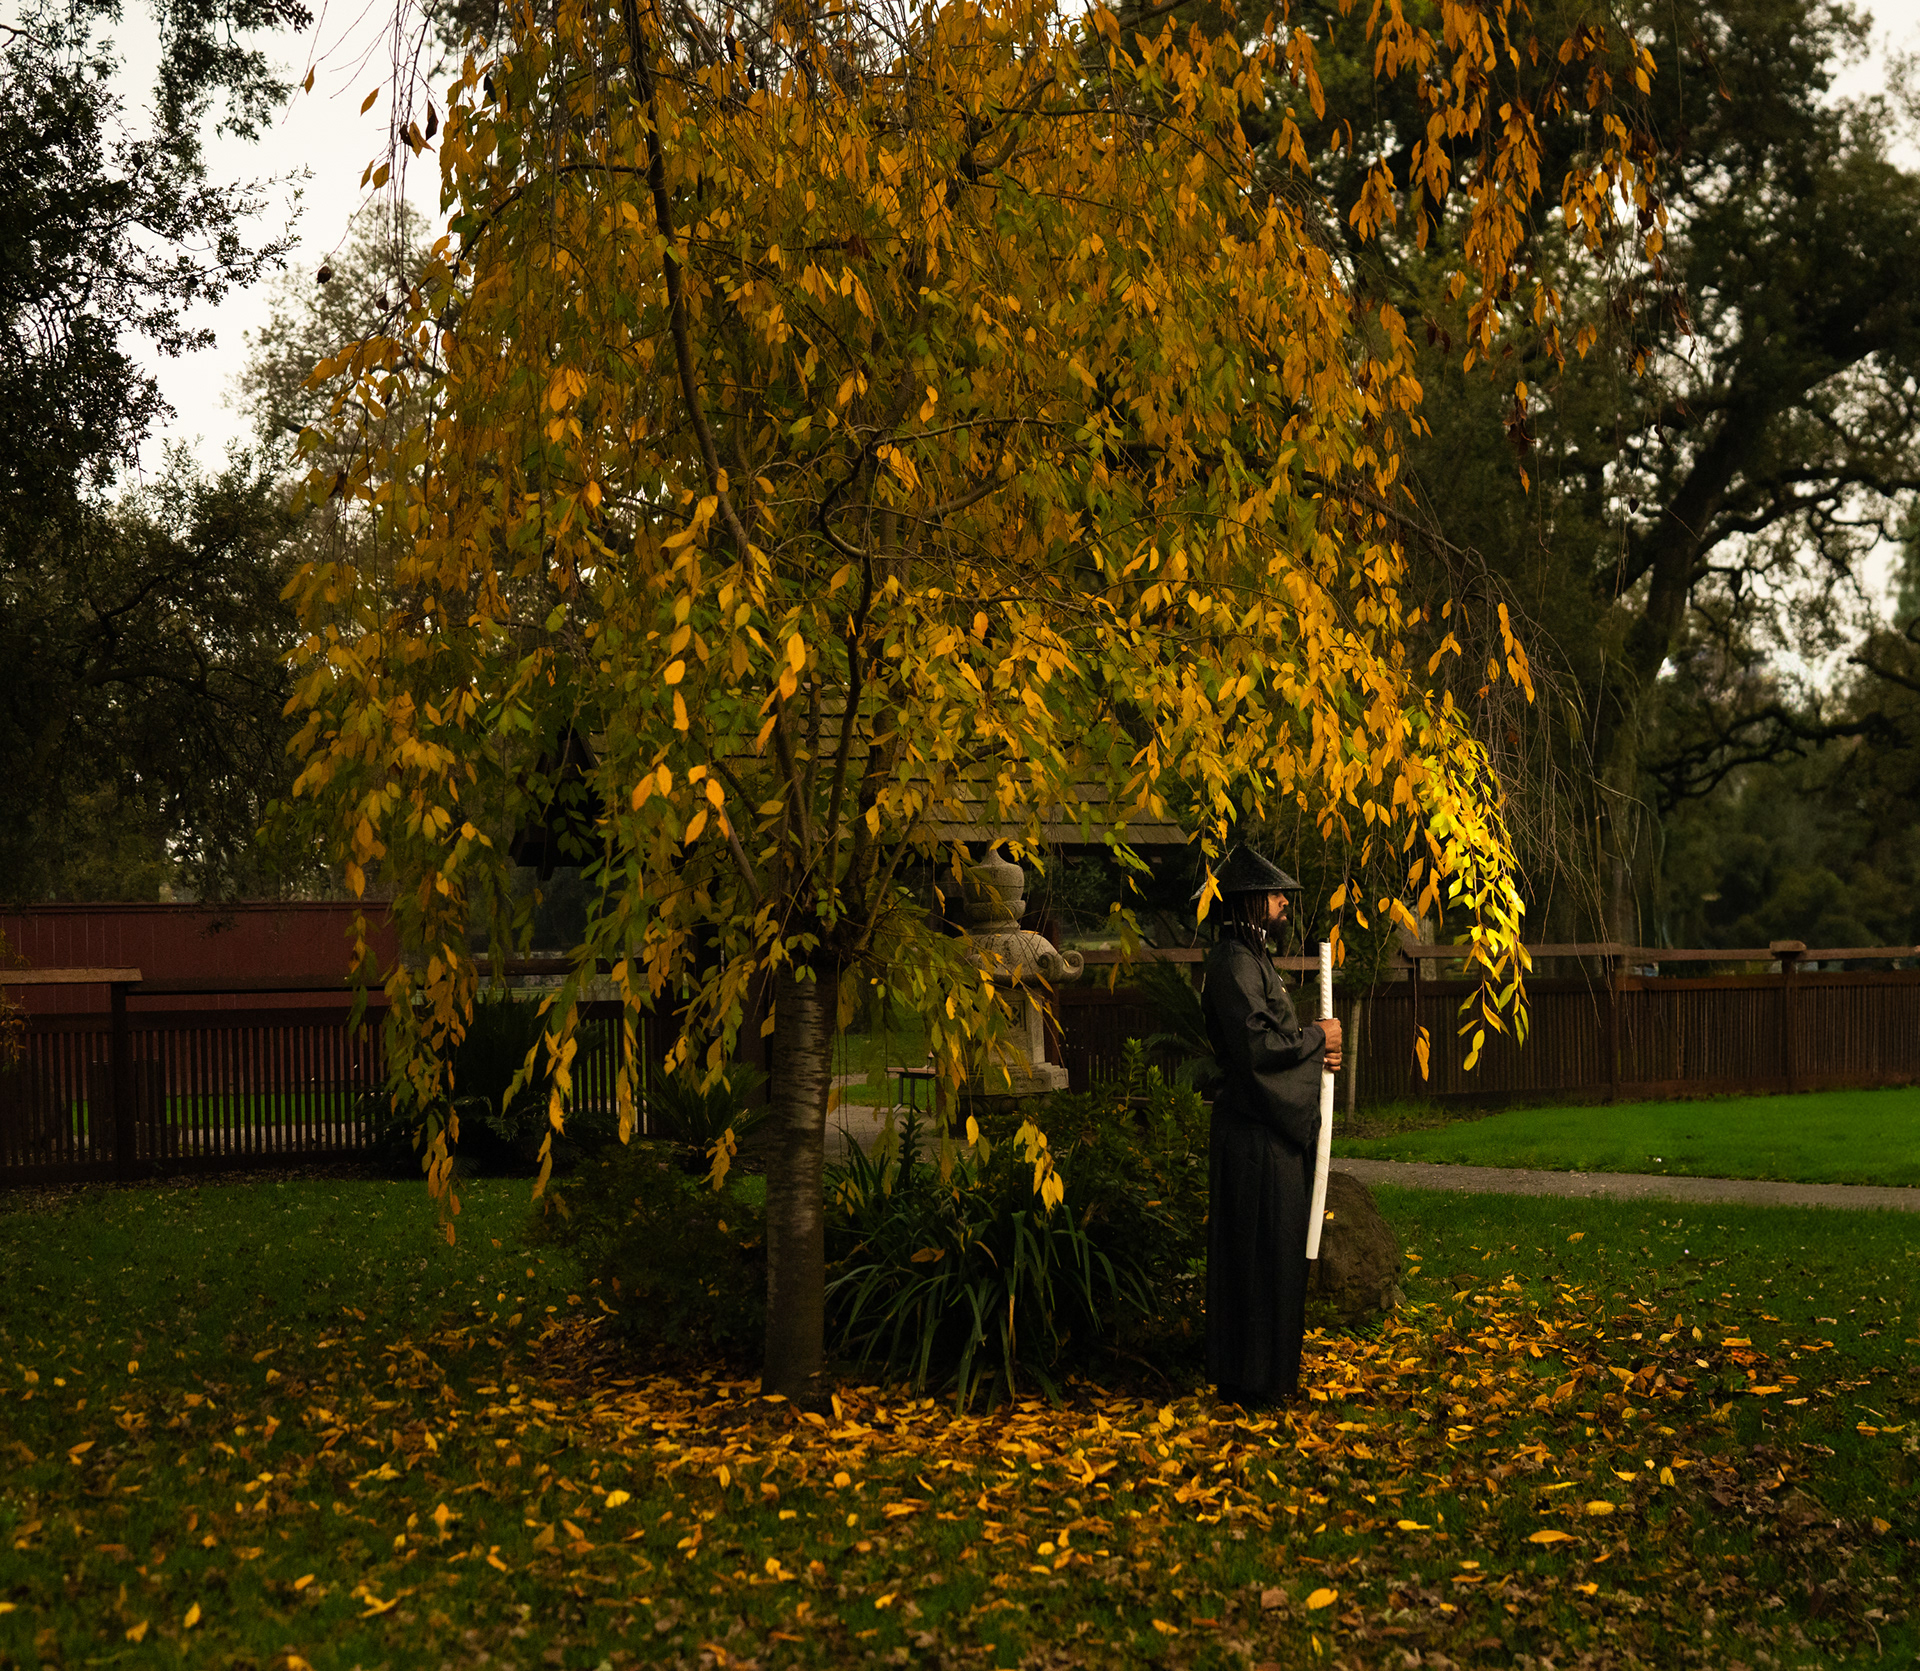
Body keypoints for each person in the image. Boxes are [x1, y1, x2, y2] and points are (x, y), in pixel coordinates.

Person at [1200, 845, 1342, 1408]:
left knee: (1276, 1255)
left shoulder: (1254, 960)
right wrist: (1316, 1039)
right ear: (1251, 901)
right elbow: (1257, 1049)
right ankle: (1251, 1384)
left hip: (1268, 1138)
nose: (1284, 902)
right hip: (1253, 1139)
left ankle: (1268, 1380)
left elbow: (1278, 1040)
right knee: (1255, 1257)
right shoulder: (1234, 962)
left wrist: (1315, 1048)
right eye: (1276, 894)